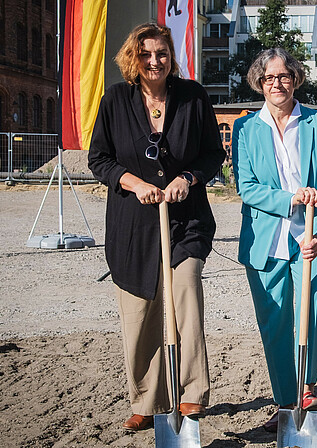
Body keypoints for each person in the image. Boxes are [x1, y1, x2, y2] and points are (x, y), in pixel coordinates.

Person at [87, 23, 225, 431]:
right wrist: (134, 183)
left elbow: (212, 154)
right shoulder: (115, 100)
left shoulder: (193, 97)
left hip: (186, 223)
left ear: (171, 56)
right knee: (140, 316)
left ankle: (191, 394)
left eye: (161, 53)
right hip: (133, 226)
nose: (154, 60)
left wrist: (188, 178)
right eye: (145, 53)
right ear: (133, 57)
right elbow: (99, 159)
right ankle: (146, 400)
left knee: (186, 302)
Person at [231, 48, 317, 433]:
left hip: (310, 235)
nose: (277, 84)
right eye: (269, 78)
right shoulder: (245, 128)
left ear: (295, 79)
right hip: (267, 238)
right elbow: (246, 187)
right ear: (259, 83)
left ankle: (307, 387)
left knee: (309, 309)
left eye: (284, 76)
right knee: (275, 320)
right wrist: (289, 198)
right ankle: (284, 401)